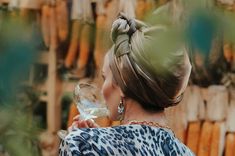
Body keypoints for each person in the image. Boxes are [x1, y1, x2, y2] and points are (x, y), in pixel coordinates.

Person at [59, 14, 194, 156]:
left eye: (105, 78)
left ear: (123, 83)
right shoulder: (185, 153)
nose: (103, 88)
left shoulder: (83, 144)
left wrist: (82, 143)